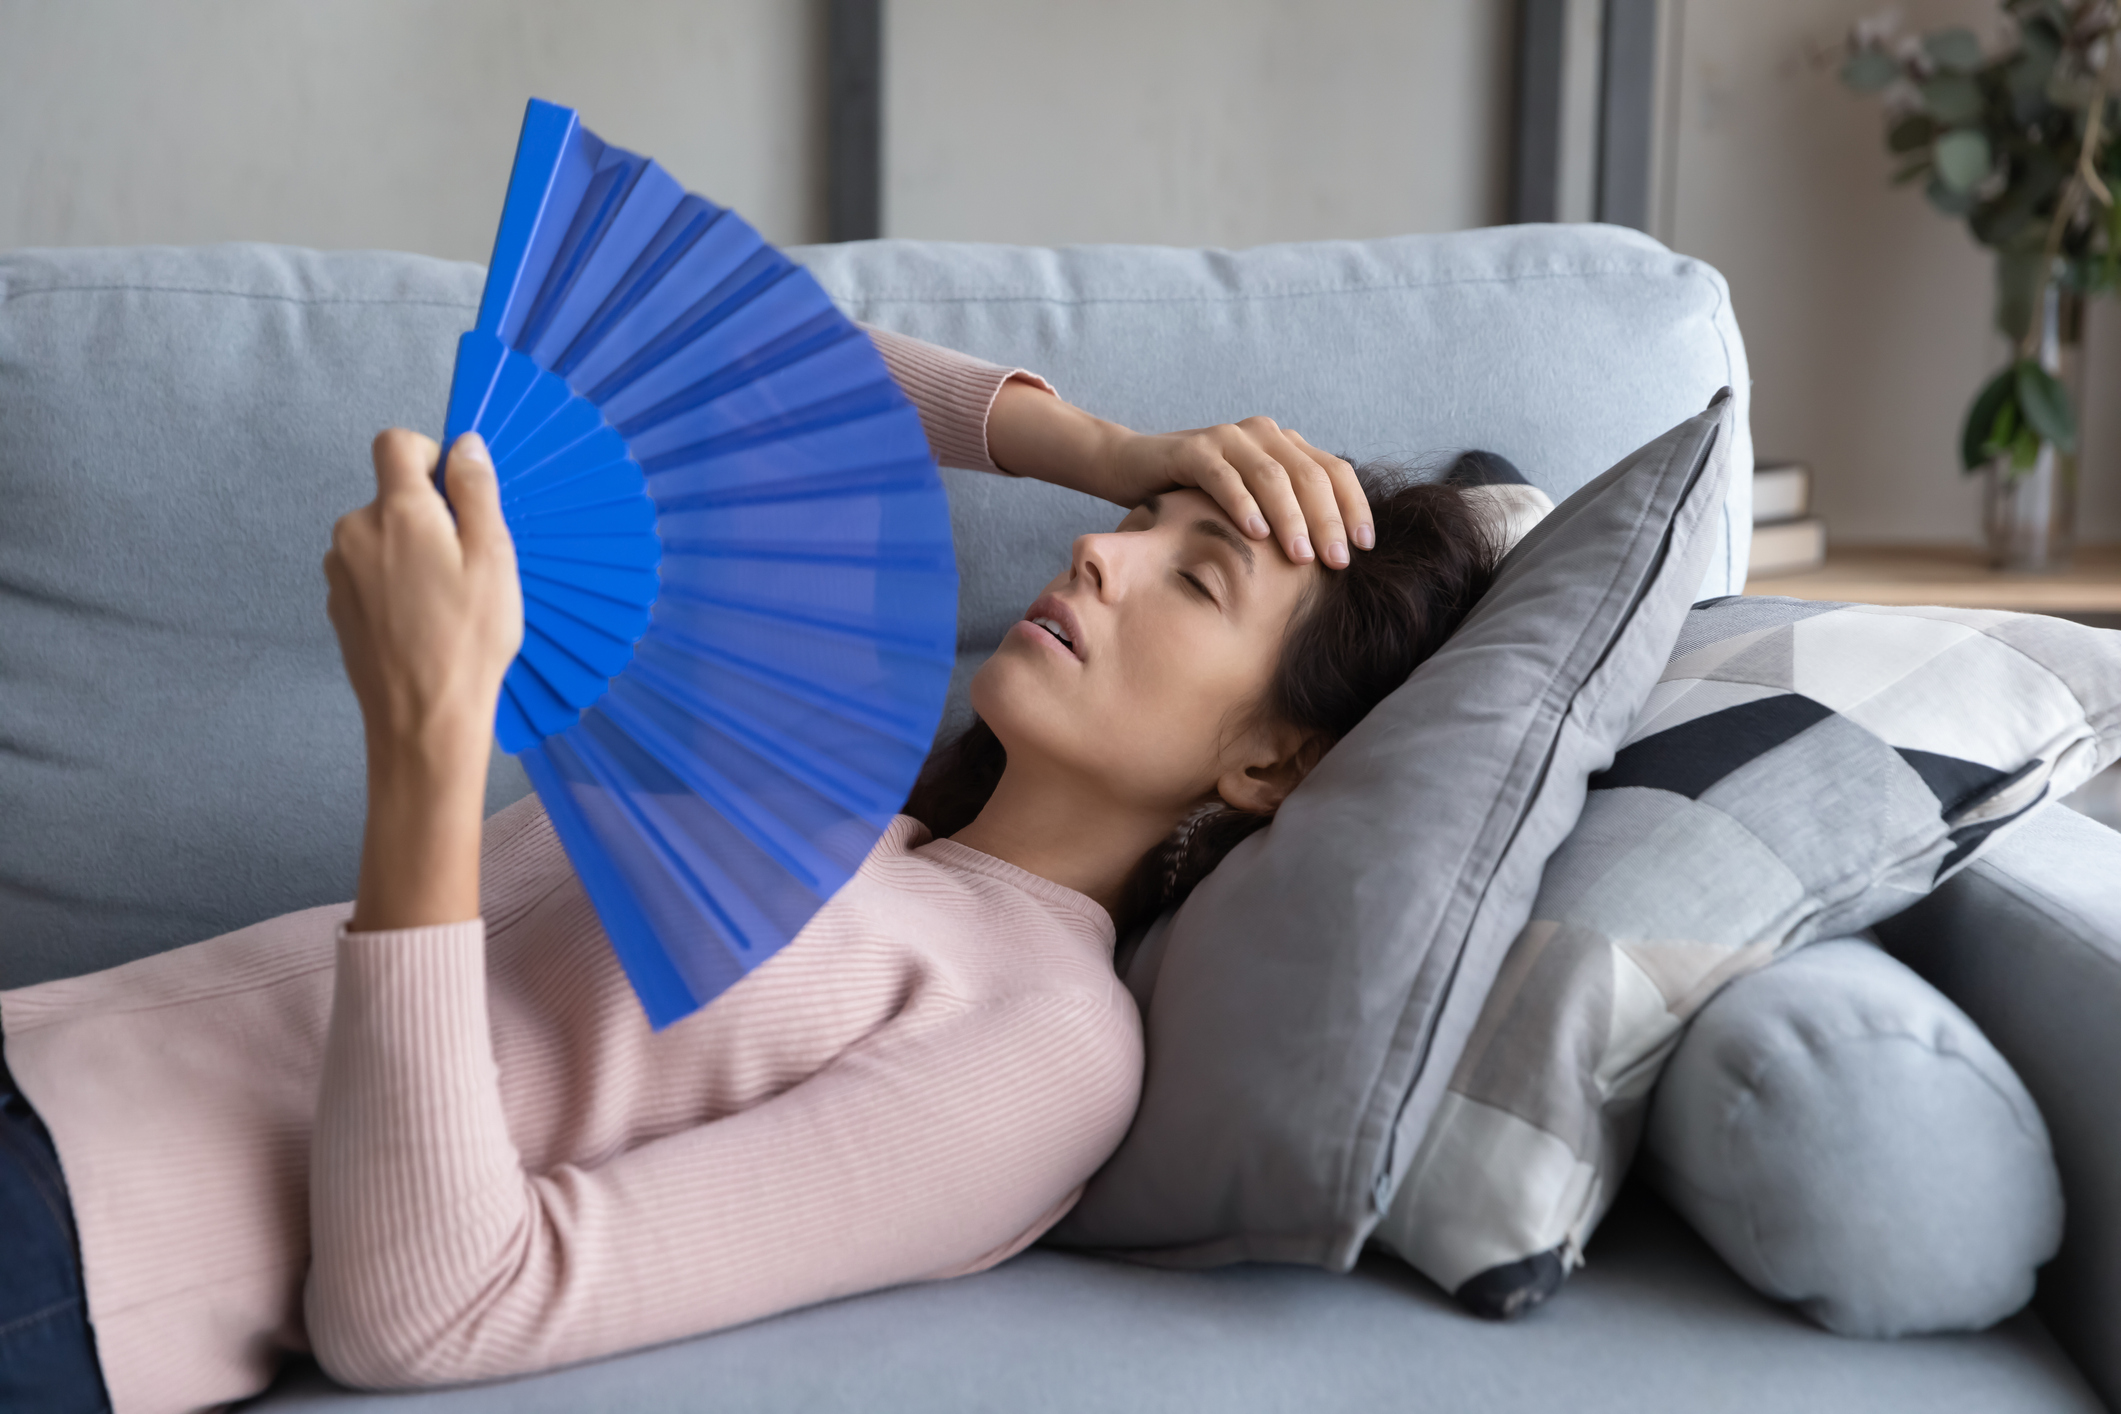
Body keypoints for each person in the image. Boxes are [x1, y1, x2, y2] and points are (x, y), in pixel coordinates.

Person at [0, 329, 1509, 1414]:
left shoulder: (1047, 1042)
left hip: (75, 1233)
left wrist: (429, 750)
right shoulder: (828, 783)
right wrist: (1110, 444)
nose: (1097, 555)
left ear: (1269, 765)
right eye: (1126, 525)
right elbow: (675, 369)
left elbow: (439, 1307)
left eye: (1194, 577)